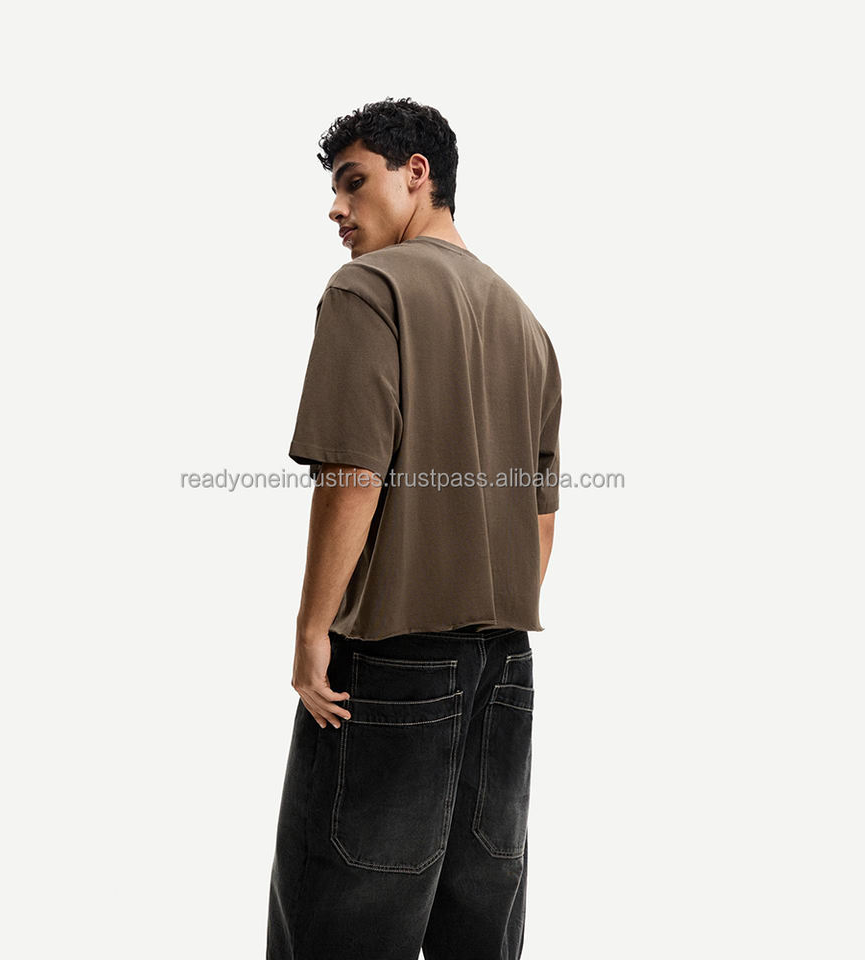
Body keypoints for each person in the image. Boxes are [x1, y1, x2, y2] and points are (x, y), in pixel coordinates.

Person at [266, 97, 562, 960]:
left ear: (417, 173)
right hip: (505, 668)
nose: (336, 208)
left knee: (342, 925)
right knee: (479, 930)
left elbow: (353, 475)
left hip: (389, 666)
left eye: (353, 183)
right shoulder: (526, 323)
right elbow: (541, 517)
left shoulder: (369, 289)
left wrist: (312, 631)